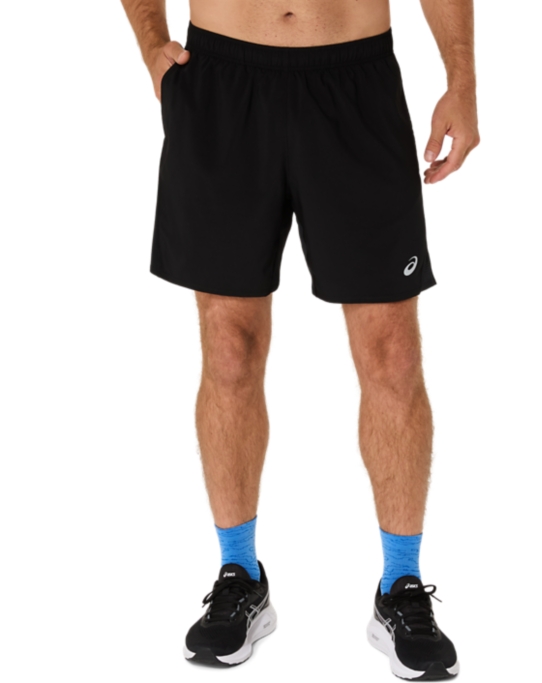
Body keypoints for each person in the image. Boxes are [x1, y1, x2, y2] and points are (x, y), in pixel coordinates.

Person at [121, 0, 479, 678]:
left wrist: (461, 81)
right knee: (230, 349)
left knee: (393, 354)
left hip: (355, 80)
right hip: (222, 78)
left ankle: (401, 584)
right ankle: (239, 574)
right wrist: (150, 43)